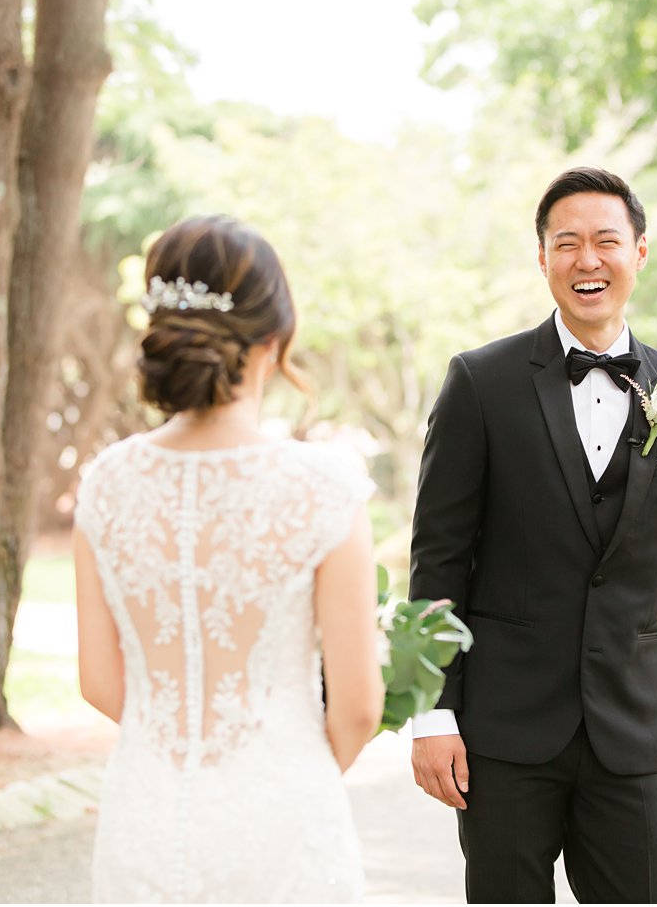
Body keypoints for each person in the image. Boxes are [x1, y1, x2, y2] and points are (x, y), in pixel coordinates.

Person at [408, 167, 657, 903]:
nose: (586, 260)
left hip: (633, 730)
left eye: (605, 241)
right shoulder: (479, 382)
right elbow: (437, 558)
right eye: (567, 243)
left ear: (640, 252)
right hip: (502, 733)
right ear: (542, 258)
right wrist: (431, 712)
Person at [73, 215, 385, 903]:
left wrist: (175, 750)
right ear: (273, 340)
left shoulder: (105, 483)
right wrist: (277, 776)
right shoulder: (323, 488)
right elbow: (359, 706)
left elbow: (98, 680)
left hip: (144, 816)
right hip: (281, 816)